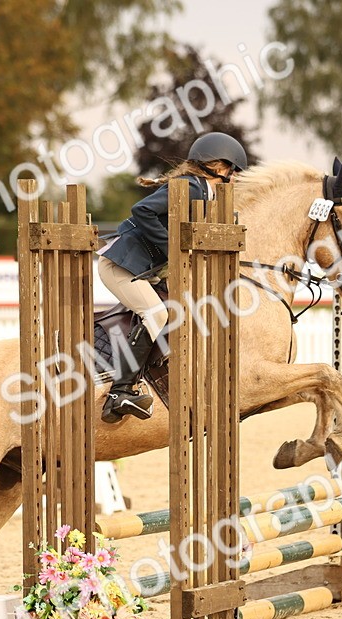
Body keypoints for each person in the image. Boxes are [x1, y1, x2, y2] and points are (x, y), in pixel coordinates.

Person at [98, 132, 248, 422]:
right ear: (218, 165)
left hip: (142, 269)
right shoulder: (190, 187)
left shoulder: (205, 192)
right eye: (232, 169)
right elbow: (142, 210)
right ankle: (119, 392)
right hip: (120, 266)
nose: (234, 176)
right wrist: (173, 248)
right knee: (156, 315)